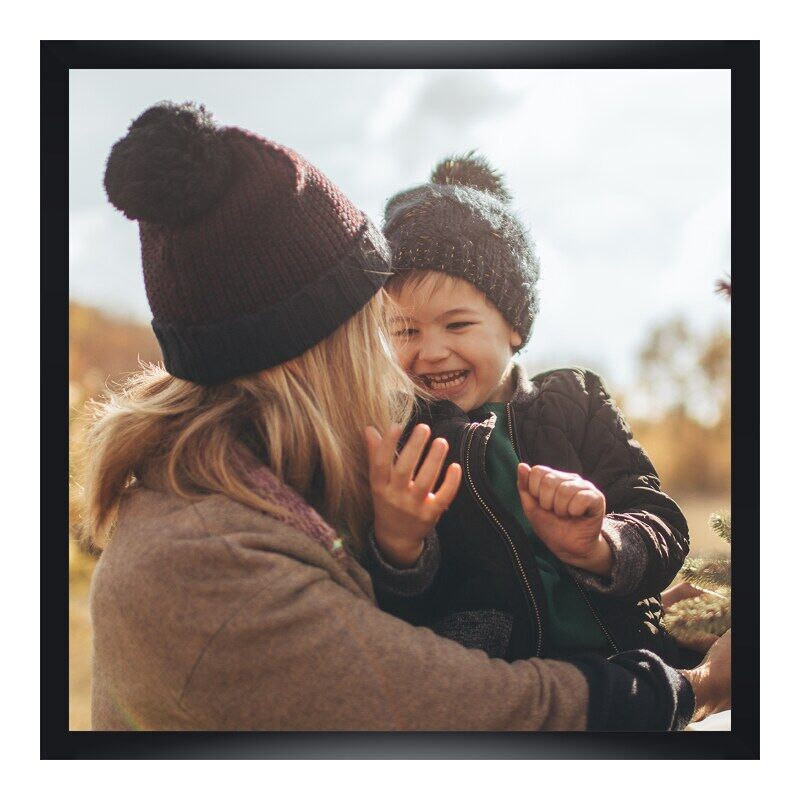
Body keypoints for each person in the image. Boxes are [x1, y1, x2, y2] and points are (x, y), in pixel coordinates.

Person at [83, 101, 728, 732]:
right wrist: (694, 690)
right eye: (389, 323)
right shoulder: (218, 564)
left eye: (458, 323)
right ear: (312, 346)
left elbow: (646, 512)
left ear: (515, 328)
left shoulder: (278, 475)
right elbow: (459, 704)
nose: (417, 351)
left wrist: (613, 559)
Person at [367, 154, 701, 668]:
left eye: (457, 326)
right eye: (407, 331)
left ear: (514, 327)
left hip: (633, 666)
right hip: (504, 691)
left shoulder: (575, 400)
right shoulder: (402, 438)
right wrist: (399, 542)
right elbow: (397, 612)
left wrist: (601, 544)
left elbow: (661, 522)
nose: (431, 352)